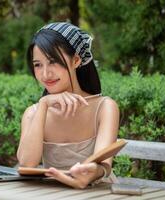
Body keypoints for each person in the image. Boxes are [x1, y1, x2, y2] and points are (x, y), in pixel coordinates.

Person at [17, 22, 120, 189]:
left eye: (53, 61)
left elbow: (104, 166)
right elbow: (27, 163)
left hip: (97, 193)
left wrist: (93, 172)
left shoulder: (104, 107)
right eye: (38, 65)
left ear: (76, 60)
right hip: (53, 194)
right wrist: (43, 105)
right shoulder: (33, 113)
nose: (45, 74)